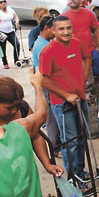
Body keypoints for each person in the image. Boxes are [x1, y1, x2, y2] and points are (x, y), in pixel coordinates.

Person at [0, 75, 64, 178]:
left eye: (17, 106)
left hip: (25, 175)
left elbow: (36, 136)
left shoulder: (23, 109)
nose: (14, 111)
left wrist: (47, 164)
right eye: (9, 108)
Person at [39, 16, 92, 181]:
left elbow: (88, 57)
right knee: (71, 142)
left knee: (82, 137)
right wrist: (66, 95)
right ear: (53, 31)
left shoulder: (77, 43)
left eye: (69, 28)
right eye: (61, 29)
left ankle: (80, 172)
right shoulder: (47, 51)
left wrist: (83, 80)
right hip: (62, 105)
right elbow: (44, 80)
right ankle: (72, 178)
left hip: (79, 99)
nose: (66, 32)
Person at [32, 15, 62, 155]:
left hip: (47, 83)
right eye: (53, 28)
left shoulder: (42, 43)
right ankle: (55, 147)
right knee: (52, 117)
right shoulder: (43, 46)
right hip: (47, 84)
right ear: (46, 28)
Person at [61, 0, 99, 81]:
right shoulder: (64, 16)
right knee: (79, 78)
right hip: (74, 53)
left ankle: (98, 93)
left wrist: (97, 46)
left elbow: (97, 28)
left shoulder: (89, 13)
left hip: (91, 50)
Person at [0, 0, 20, 70]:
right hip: (2, 32)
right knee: (3, 48)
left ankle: (16, 60)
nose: (3, 3)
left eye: (4, 1)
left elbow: (15, 16)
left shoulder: (9, 9)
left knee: (17, 44)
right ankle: (5, 62)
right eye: (1, 2)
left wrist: (16, 21)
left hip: (10, 31)